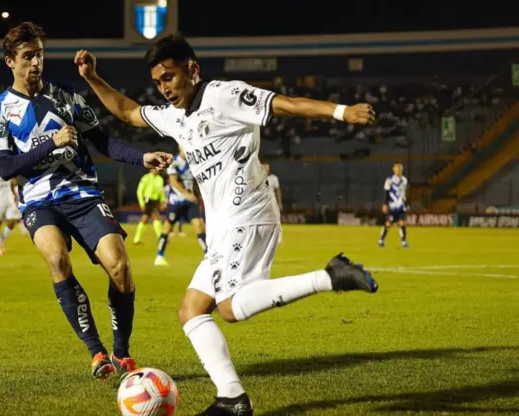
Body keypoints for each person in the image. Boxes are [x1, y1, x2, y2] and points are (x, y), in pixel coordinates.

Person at [75, 34, 379, 415]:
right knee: (191, 311)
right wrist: (92, 78)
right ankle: (232, 398)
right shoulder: (174, 118)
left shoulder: (224, 95)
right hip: (222, 227)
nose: (164, 88)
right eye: (158, 82)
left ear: (193, 71)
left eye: (169, 77)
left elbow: (285, 105)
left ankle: (330, 276)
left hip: (249, 214)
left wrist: (342, 112)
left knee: (231, 308)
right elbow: (129, 112)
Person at [0, 22, 173, 381]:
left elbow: (103, 141)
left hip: (82, 193)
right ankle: (95, 351)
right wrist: (50, 143)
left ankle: (121, 352)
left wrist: (142, 158)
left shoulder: (67, 96)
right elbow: (6, 167)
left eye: (39, 54)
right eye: (27, 57)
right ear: (10, 61)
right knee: (57, 259)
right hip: (40, 201)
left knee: (120, 266)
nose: (36, 62)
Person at [155, 147, 207, 266]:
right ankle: (159, 256)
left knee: (199, 226)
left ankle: (207, 255)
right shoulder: (174, 163)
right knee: (167, 229)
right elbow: (173, 181)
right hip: (176, 202)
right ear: (179, 147)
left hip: (190, 202)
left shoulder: (192, 163)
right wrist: (187, 194)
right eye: (184, 147)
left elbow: (193, 182)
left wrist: (197, 195)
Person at [379, 162, 409, 248]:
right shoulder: (390, 180)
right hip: (392, 206)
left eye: (400, 167)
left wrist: (406, 203)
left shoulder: (404, 180)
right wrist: (385, 204)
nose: (398, 169)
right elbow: (386, 193)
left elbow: (405, 193)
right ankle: (381, 240)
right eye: (397, 167)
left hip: (401, 206)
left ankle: (403, 242)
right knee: (388, 224)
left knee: (402, 223)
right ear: (393, 169)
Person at [134, 167, 165, 244]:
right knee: (156, 216)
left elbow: (161, 192)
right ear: (150, 169)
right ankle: (161, 238)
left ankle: (137, 239)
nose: (156, 170)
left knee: (145, 218)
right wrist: (141, 203)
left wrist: (162, 201)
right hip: (147, 200)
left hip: (155, 201)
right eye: (154, 168)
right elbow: (139, 191)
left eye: (157, 168)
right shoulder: (146, 177)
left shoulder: (160, 179)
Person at [262, 162, 283, 244]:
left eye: (267, 167)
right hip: (263, 200)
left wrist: (280, 202)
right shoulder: (259, 177)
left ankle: (279, 238)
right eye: (264, 167)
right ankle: (265, 238)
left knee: (276, 218)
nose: (265, 169)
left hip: (272, 199)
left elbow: (278, 191)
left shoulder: (274, 178)